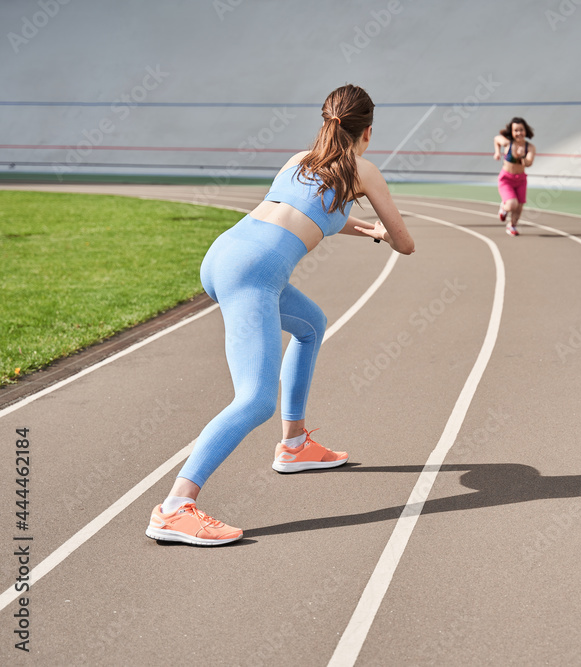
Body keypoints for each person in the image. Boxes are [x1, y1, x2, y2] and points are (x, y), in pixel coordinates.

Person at [145, 84, 415, 546]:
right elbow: (406, 243)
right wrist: (386, 231)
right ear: (368, 131)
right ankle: (175, 507)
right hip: (254, 274)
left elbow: (308, 212)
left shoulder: (298, 160)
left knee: (312, 325)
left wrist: (366, 228)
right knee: (254, 400)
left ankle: (294, 444)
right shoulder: (364, 171)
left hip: (225, 254)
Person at [493, 117, 535, 236]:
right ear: (511, 132)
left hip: (521, 179)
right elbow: (496, 139)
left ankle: (512, 225)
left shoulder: (530, 148)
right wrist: (497, 152)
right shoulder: (508, 143)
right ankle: (504, 207)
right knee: (512, 204)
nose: (519, 133)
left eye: (521, 130)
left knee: (519, 206)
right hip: (506, 179)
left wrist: (522, 157)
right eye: (515, 130)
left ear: (525, 131)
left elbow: (529, 163)